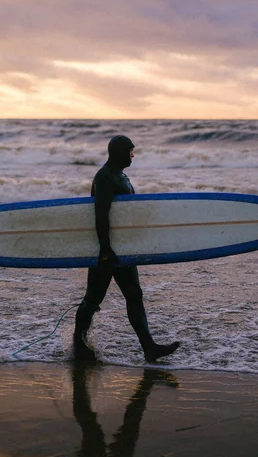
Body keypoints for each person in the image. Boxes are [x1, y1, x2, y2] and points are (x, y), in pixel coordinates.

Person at [73, 135, 180, 363]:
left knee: (134, 295)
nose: (133, 155)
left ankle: (149, 347)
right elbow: (100, 214)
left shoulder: (120, 175)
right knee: (92, 299)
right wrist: (104, 249)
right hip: (108, 250)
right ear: (119, 152)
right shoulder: (105, 177)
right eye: (130, 151)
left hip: (122, 249)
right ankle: (78, 346)